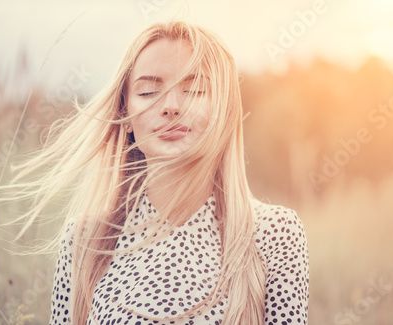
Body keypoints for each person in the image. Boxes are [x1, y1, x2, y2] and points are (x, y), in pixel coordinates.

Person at [33, 21, 309, 324]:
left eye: (195, 90)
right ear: (125, 114)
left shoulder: (275, 233)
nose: (172, 106)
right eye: (149, 91)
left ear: (225, 111)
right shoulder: (84, 240)